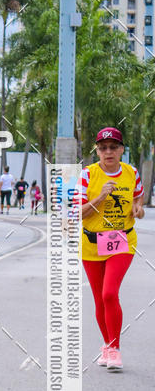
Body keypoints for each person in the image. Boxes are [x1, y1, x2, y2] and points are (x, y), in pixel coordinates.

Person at [81, 127, 144, 371]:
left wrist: (138, 208)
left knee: (109, 293)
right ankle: (107, 345)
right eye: (103, 148)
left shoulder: (131, 173)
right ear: (97, 151)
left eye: (113, 147)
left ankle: (114, 349)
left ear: (121, 150)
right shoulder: (88, 175)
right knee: (99, 299)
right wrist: (99, 198)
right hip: (92, 244)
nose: (108, 152)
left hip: (121, 240)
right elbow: (76, 213)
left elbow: (138, 197)